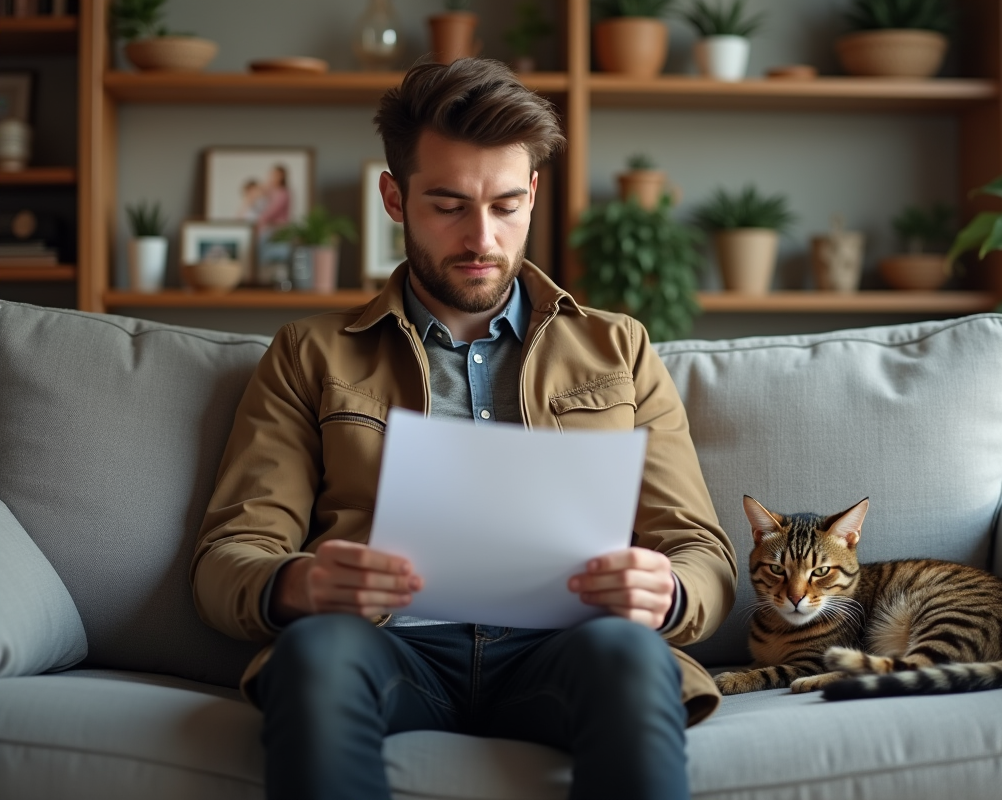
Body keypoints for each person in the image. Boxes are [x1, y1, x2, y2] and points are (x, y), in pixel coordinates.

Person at [191, 57, 736, 800]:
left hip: (568, 650)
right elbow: (230, 556)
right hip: (385, 646)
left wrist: (666, 590)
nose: (482, 237)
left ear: (534, 196)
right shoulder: (310, 353)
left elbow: (701, 552)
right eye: (448, 205)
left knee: (632, 658)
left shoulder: (620, 349)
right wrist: (300, 582)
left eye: (507, 206)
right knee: (315, 655)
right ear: (394, 196)